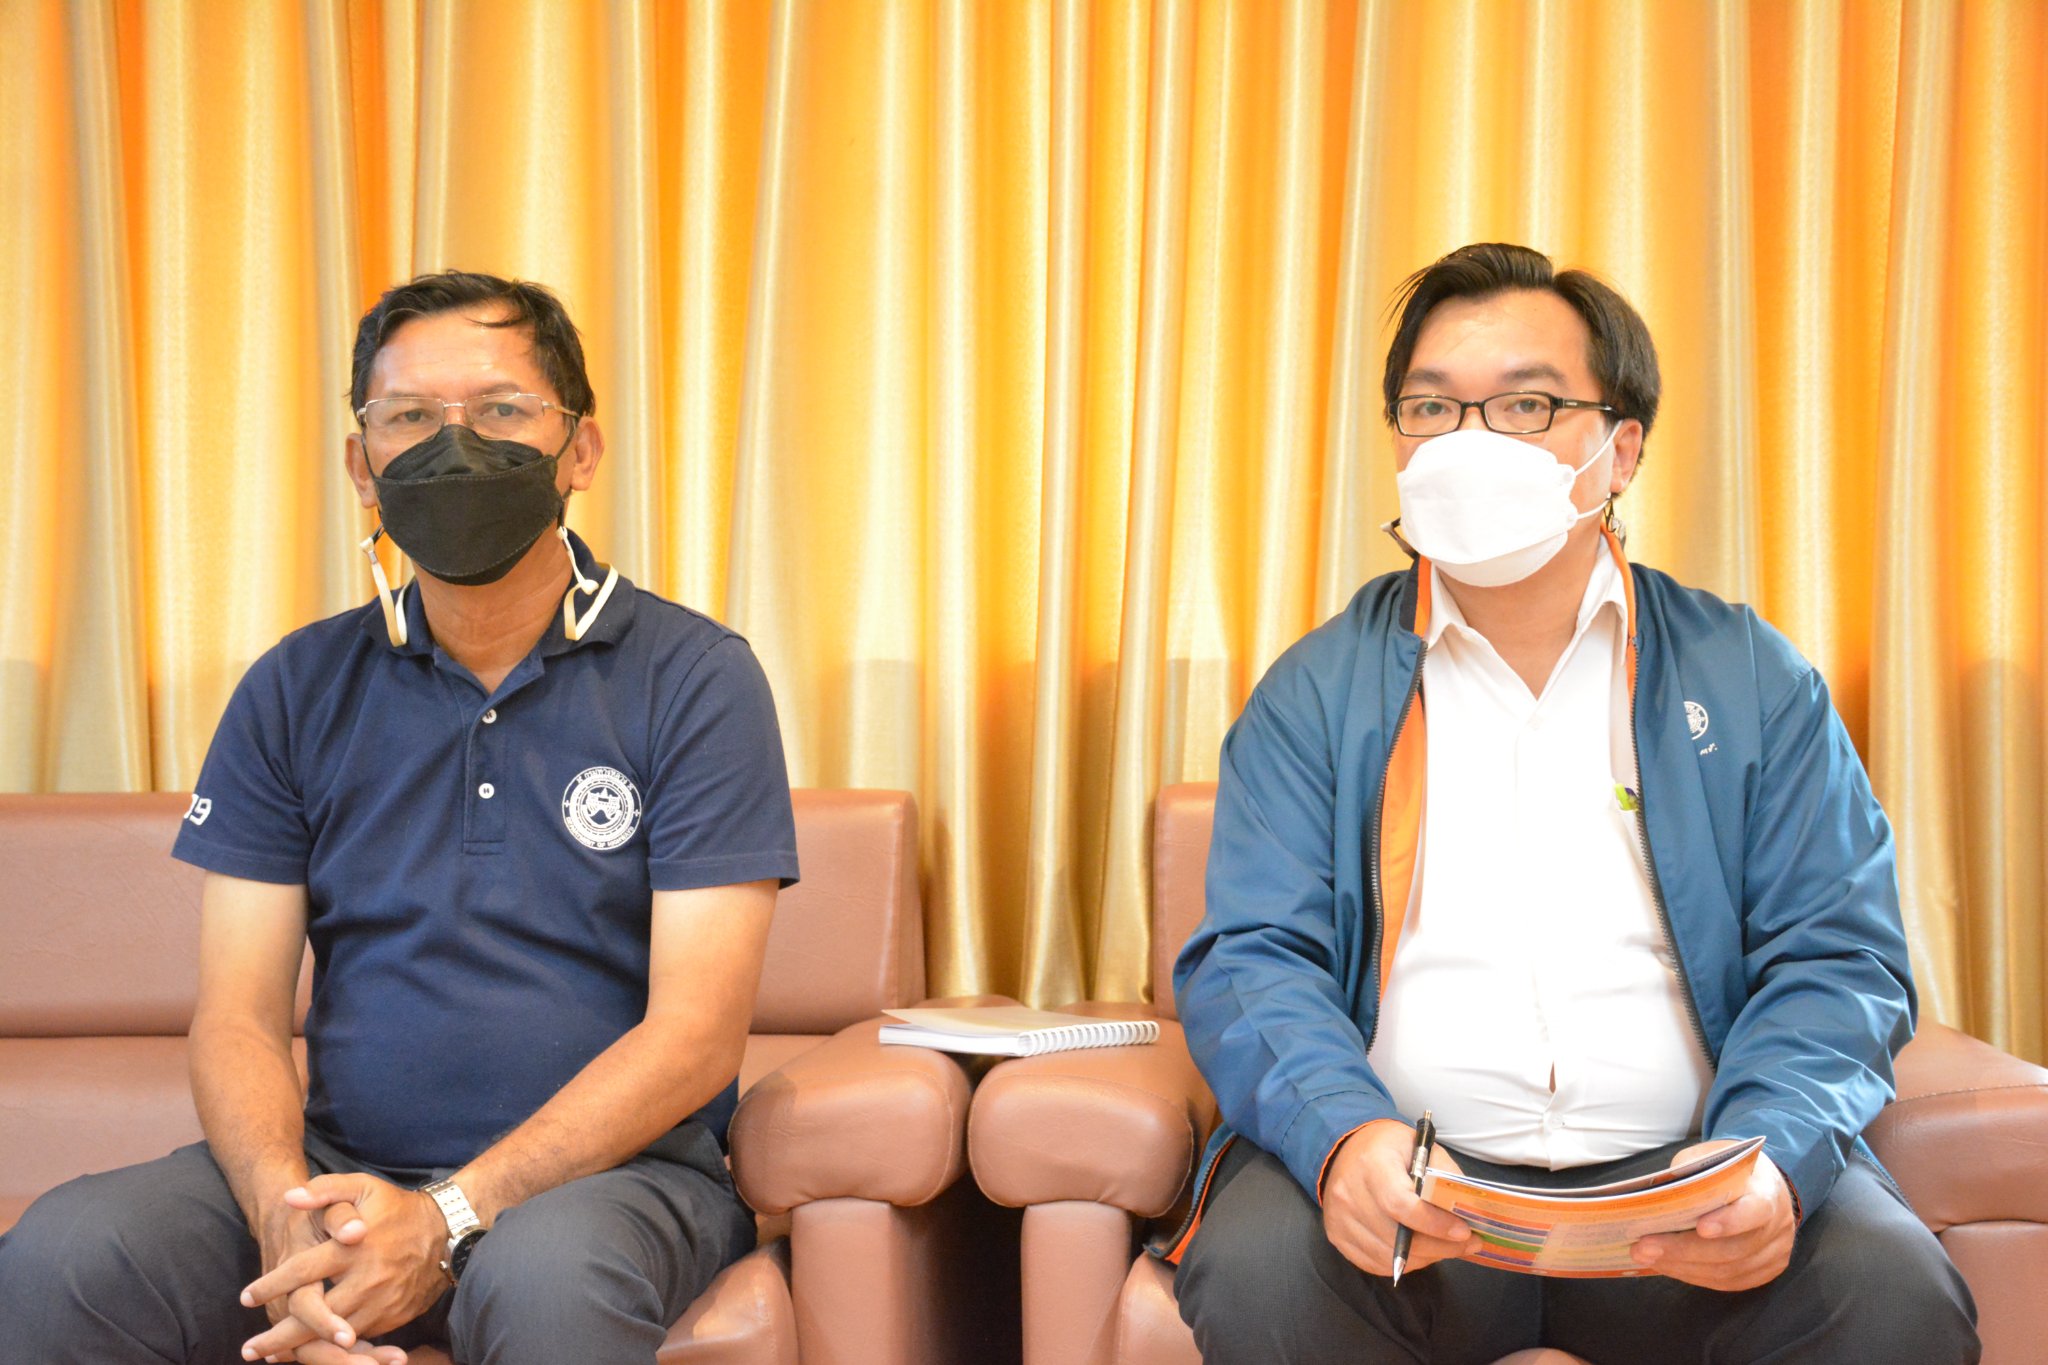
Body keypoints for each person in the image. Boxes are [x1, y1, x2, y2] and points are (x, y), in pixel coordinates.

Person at [1164, 243, 1979, 1363]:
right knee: (1259, 1271)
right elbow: (1253, 957)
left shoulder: (1749, 678)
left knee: (1892, 1295)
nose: (1468, 443)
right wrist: (1343, 1138)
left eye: (1525, 405)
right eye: (1431, 408)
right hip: (1415, 1200)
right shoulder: (1314, 690)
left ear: (1619, 449)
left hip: (1685, 1196)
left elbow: (1838, 955)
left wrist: (1768, 1158)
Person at [0, 272, 799, 1364]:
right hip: (340, 1169)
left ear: (579, 450)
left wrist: (447, 1216)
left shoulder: (696, 677)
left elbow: (695, 1032)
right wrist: (288, 1216)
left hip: (610, 1184)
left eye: (501, 410)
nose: (453, 448)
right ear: (361, 464)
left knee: (546, 1281)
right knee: (65, 1254)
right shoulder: (295, 686)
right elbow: (238, 1017)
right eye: (410, 418)